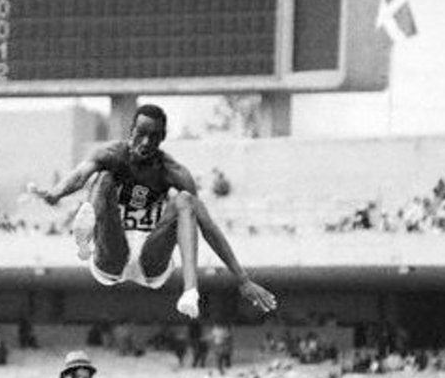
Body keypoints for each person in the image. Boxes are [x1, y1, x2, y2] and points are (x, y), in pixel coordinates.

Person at [28, 103, 276, 319]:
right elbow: (81, 175)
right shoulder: (112, 154)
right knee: (102, 179)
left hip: (152, 256)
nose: (146, 143)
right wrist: (56, 193)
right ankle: (84, 237)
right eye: (141, 134)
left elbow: (206, 226)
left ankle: (190, 292)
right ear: (131, 132)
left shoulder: (173, 171)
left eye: (154, 137)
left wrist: (242, 279)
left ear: (163, 138)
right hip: (112, 250)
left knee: (186, 200)